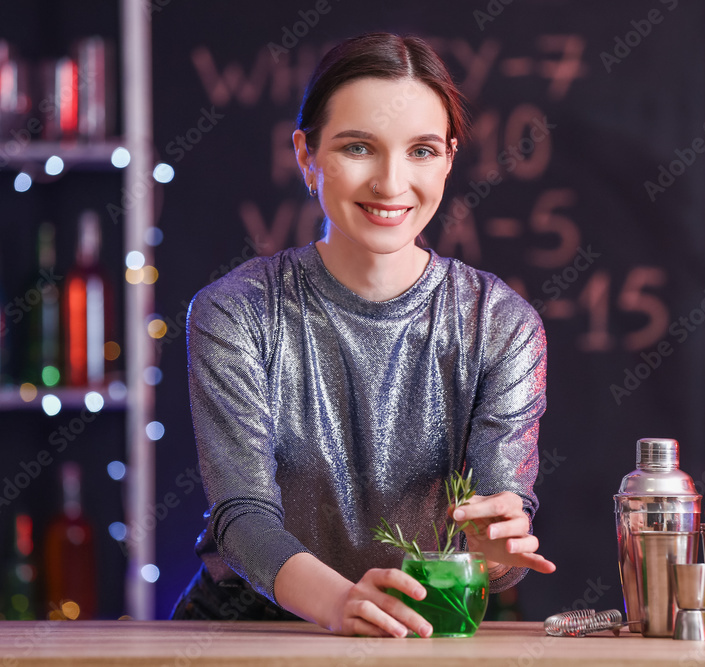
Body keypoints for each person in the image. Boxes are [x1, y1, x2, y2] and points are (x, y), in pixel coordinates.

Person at [171, 32, 555, 637]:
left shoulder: (500, 324)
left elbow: (499, 536)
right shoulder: (236, 311)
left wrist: (497, 544)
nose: (391, 182)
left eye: (422, 150)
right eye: (358, 147)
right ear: (306, 155)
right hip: (249, 628)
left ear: (451, 158)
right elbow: (241, 515)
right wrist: (337, 602)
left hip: (432, 622)